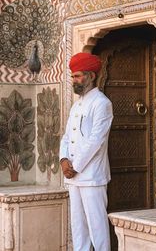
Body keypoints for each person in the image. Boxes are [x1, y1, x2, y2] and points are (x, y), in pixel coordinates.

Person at [59, 52, 113, 251]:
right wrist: (64, 160)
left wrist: (76, 166)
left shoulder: (102, 103)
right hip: (73, 176)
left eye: (79, 75)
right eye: (73, 76)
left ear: (91, 76)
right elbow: (66, 136)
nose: (75, 80)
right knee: (78, 226)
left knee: (96, 227)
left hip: (92, 176)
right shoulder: (76, 106)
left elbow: (95, 141)